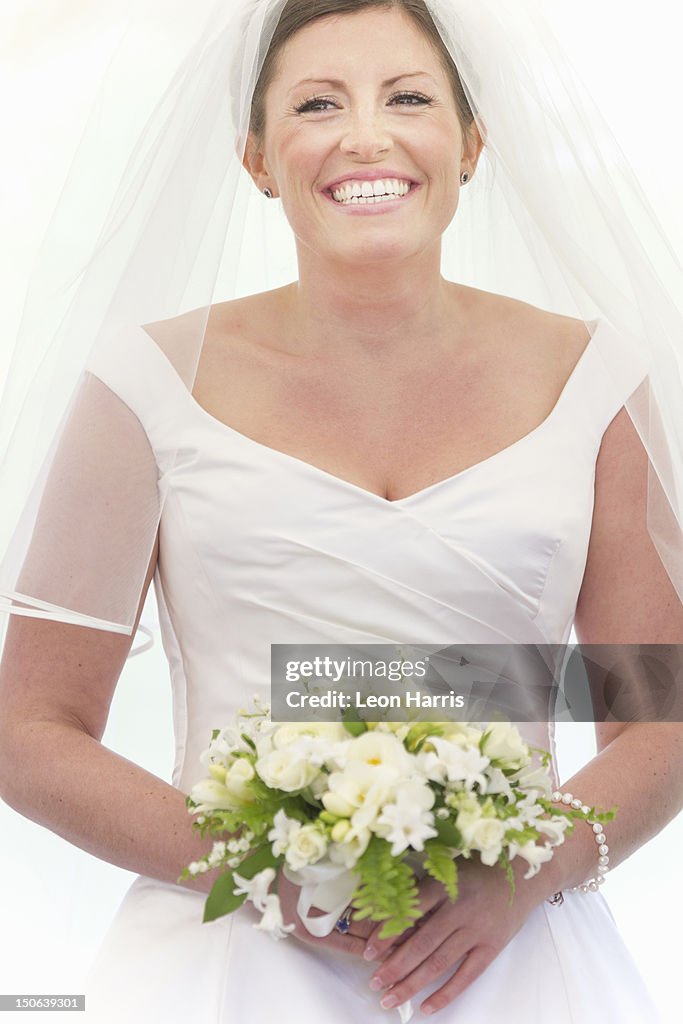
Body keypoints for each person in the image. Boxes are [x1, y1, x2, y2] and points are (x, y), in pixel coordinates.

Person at [0, 1, 681, 1021]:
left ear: (469, 144)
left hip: (515, 964)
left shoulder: (592, 377)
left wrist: (523, 871)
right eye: (317, 103)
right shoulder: (144, 382)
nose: (366, 134)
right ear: (259, 158)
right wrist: (263, 863)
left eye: (406, 97)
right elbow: (31, 727)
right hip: (224, 962)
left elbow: (654, 710)